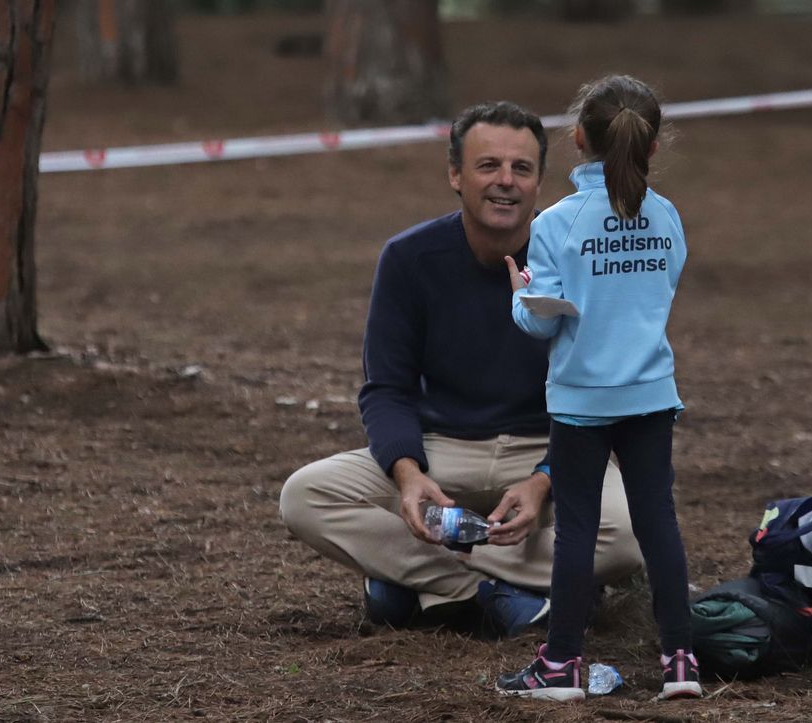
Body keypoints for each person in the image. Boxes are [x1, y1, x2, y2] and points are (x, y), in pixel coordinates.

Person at [278, 101, 644, 638]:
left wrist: (546, 479)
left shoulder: (578, 259)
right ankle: (497, 591)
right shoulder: (408, 259)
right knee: (304, 496)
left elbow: (598, 394)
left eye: (521, 168)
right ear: (455, 175)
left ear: (540, 181)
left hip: (549, 447)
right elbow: (386, 389)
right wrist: (408, 474)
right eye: (487, 166)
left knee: (628, 535)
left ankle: (415, 582)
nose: (505, 182)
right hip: (440, 449)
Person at [496, 75, 702, 701]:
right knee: (657, 521)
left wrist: (519, 295)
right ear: (654, 145)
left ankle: (561, 666)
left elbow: (540, 319)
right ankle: (681, 662)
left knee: (577, 530)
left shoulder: (557, 222)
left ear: (578, 138)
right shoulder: (665, 217)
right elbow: (662, 285)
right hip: (649, 394)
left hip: (582, 399)